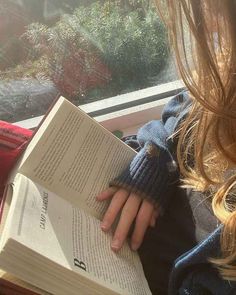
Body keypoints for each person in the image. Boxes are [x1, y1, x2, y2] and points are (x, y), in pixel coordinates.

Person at [96, 1, 236, 294]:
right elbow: (183, 112)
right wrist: (156, 157)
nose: (206, 19)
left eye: (209, 8)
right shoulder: (225, 79)